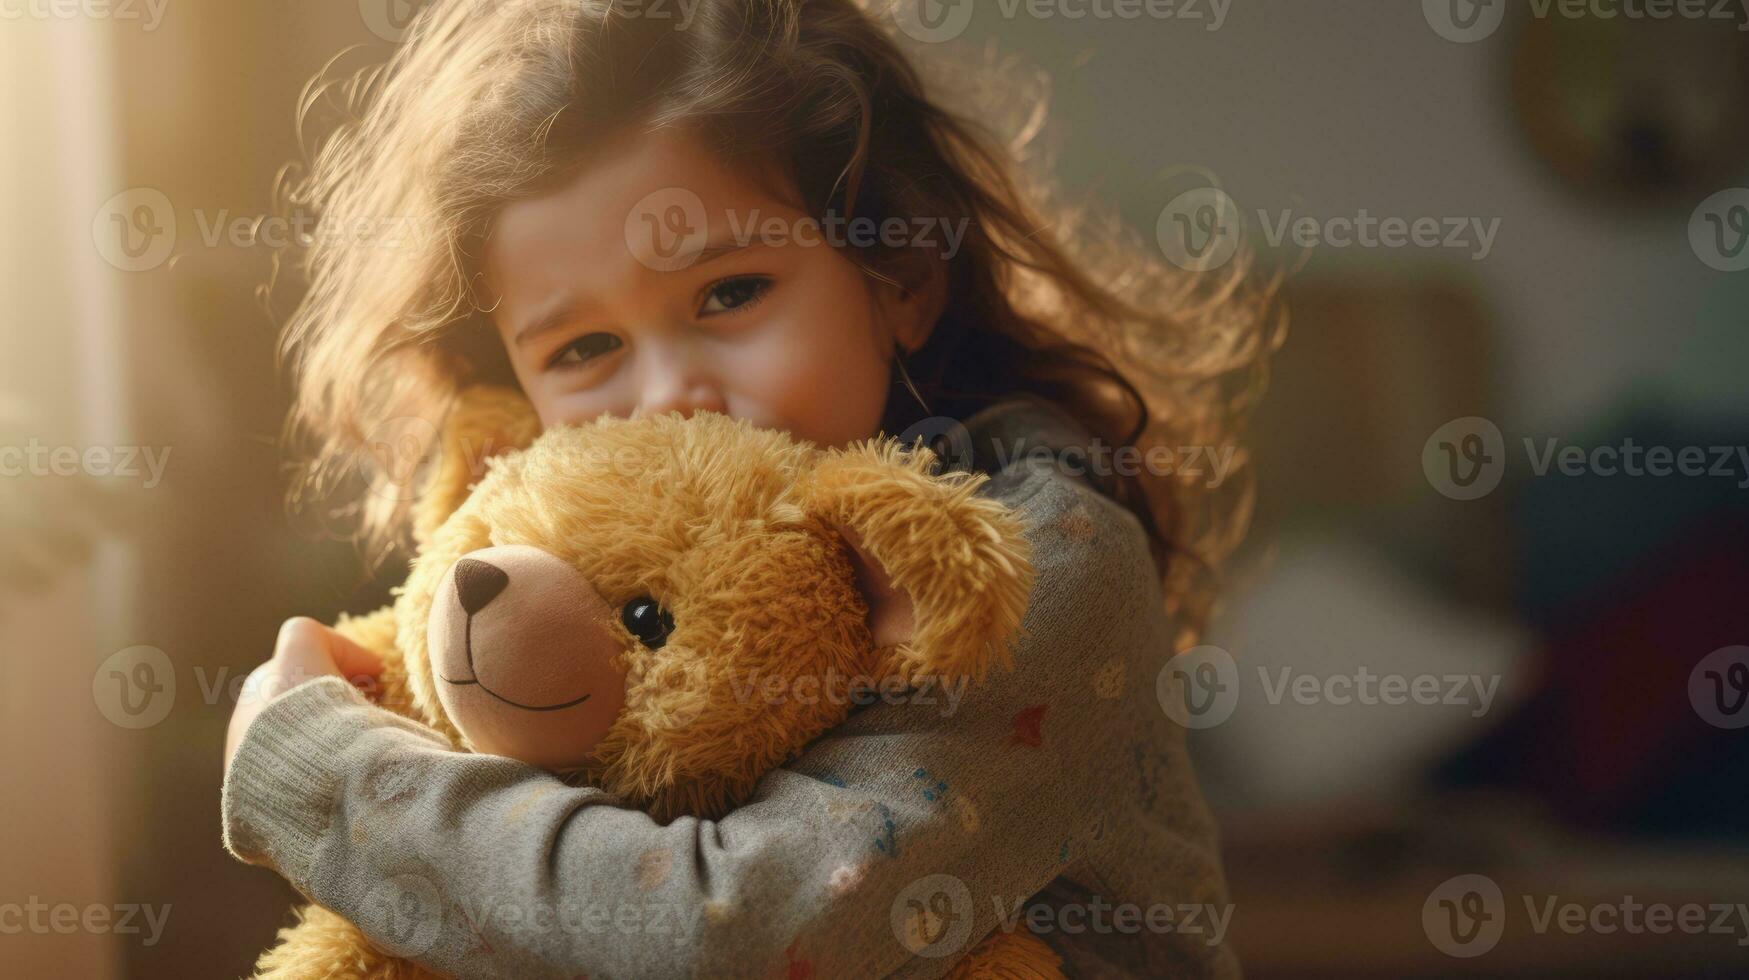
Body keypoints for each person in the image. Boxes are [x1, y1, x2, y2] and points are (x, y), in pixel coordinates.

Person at [223, 1, 1279, 975]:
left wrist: (326, 767)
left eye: (730, 292)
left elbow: (744, 934)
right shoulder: (562, 588)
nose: (671, 394)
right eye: (586, 346)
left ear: (900, 276)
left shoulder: (1033, 559)